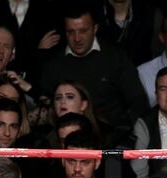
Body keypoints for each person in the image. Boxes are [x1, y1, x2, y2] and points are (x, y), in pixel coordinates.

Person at [39, 0, 148, 142]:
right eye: (71, 32)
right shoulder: (54, 64)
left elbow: (138, 101)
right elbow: (46, 105)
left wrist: (120, 135)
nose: (77, 38)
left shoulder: (116, 58)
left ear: (95, 29)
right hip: (65, 144)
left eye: (83, 31)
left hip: (111, 143)